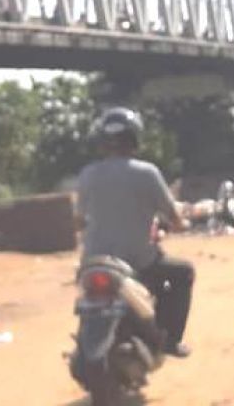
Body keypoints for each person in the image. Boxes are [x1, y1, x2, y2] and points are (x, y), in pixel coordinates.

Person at [74, 106, 195, 358]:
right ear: (134, 138)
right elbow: (173, 217)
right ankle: (170, 340)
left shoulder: (87, 174)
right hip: (138, 262)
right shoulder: (146, 173)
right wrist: (180, 224)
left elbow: (78, 221)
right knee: (183, 273)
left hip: (93, 262)